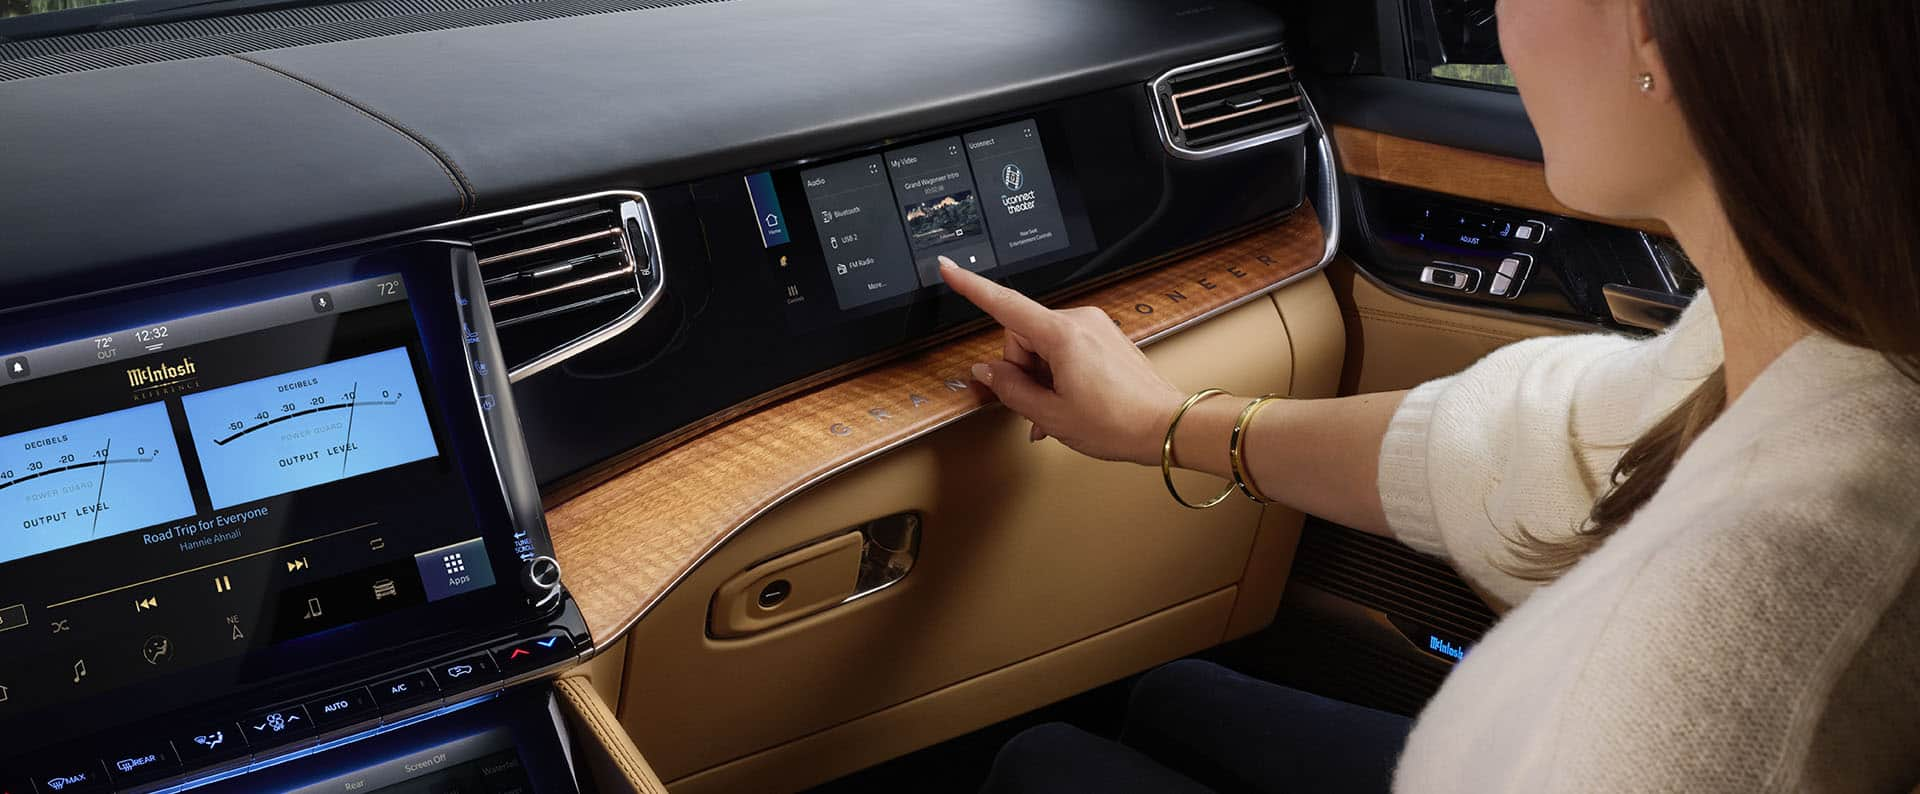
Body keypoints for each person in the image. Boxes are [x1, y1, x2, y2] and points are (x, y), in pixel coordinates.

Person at [941, 0, 1920, 790]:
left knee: (1041, 759)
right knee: (1168, 691)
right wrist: (1162, 422)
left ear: (1651, 28)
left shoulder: (1739, 644)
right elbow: (1540, 444)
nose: (1498, 22)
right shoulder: (1827, 332)